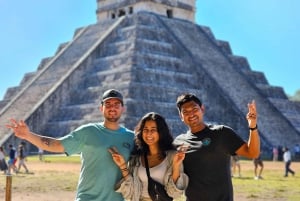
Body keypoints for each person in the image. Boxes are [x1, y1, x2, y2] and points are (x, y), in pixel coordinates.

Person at [6, 89, 135, 201]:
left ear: (123, 108)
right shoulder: (88, 131)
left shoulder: (132, 138)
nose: (112, 107)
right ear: (101, 108)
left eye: (116, 104)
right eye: (108, 104)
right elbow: (56, 144)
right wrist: (28, 135)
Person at [173, 93, 260, 201]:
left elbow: (253, 153)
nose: (191, 114)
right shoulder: (178, 143)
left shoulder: (221, 133)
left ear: (202, 109)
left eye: (194, 109)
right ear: (181, 116)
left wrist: (253, 126)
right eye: (185, 112)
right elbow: (176, 181)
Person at [108, 112, 188, 201]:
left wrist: (176, 166)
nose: (149, 133)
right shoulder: (136, 159)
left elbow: (175, 193)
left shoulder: (172, 156)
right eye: (145, 129)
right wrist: (122, 165)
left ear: (161, 132)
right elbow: (130, 192)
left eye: (153, 129)